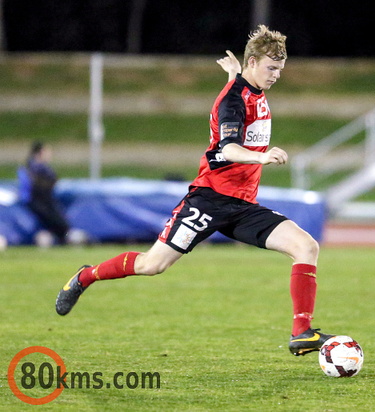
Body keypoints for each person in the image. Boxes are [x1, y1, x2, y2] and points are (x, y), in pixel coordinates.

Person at [56, 25, 336, 356]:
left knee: (306, 246)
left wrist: (234, 74)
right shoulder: (233, 99)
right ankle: (85, 276)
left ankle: (301, 332)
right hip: (209, 201)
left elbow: (238, 90)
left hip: (243, 206)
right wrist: (263, 155)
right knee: (152, 265)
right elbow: (228, 148)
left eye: (280, 70)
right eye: (271, 68)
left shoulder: (245, 88)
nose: (276, 75)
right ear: (253, 62)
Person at [18, 141, 70, 246]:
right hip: (37, 202)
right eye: (46, 151)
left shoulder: (38, 168)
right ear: (40, 152)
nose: (49, 154)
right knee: (60, 224)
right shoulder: (34, 169)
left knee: (61, 223)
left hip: (44, 202)